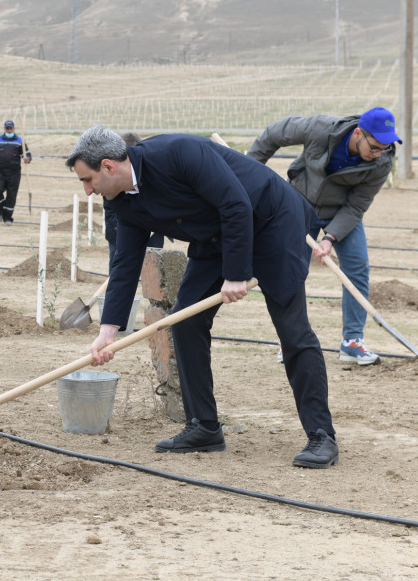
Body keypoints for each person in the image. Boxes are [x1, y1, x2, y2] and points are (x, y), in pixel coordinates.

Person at [68, 125, 338, 469]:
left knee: (293, 331)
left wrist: (236, 273)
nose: (88, 191)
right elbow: (125, 261)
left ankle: (321, 436)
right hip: (216, 236)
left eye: (87, 180)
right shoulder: (122, 200)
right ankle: (204, 427)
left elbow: (236, 203)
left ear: (108, 166)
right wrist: (109, 330)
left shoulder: (178, 153)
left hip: (271, 223)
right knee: (186, 320)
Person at [247, 107, 399, 367]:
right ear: (359, 133)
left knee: (358, 268)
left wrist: (330, 238)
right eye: (374, 147)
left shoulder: (382, 161)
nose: (378, 154)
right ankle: (290, 340)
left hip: (341, 212)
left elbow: (357, 205)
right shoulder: (320, 128)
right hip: (298, 203)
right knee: (291, 272)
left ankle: (352, 342)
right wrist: (247, 171)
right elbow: (273, 134)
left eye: (384, 148)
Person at [102, 132, 164, 274]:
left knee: (155, 272)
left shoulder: (148, 170)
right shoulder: (110, 180)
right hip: (119, 232)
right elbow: (111, 209)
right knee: (119, 269)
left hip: (154, 231)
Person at [0, 120, 31, 225]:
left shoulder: (20, 141)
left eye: (11, 128)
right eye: (7, 128)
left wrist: (27, 159)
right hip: (1, 171)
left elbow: (27, 154)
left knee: (11, 195)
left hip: (14, 172)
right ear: (4, 129)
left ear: (14, 129)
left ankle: (7, 218)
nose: (9, 130)